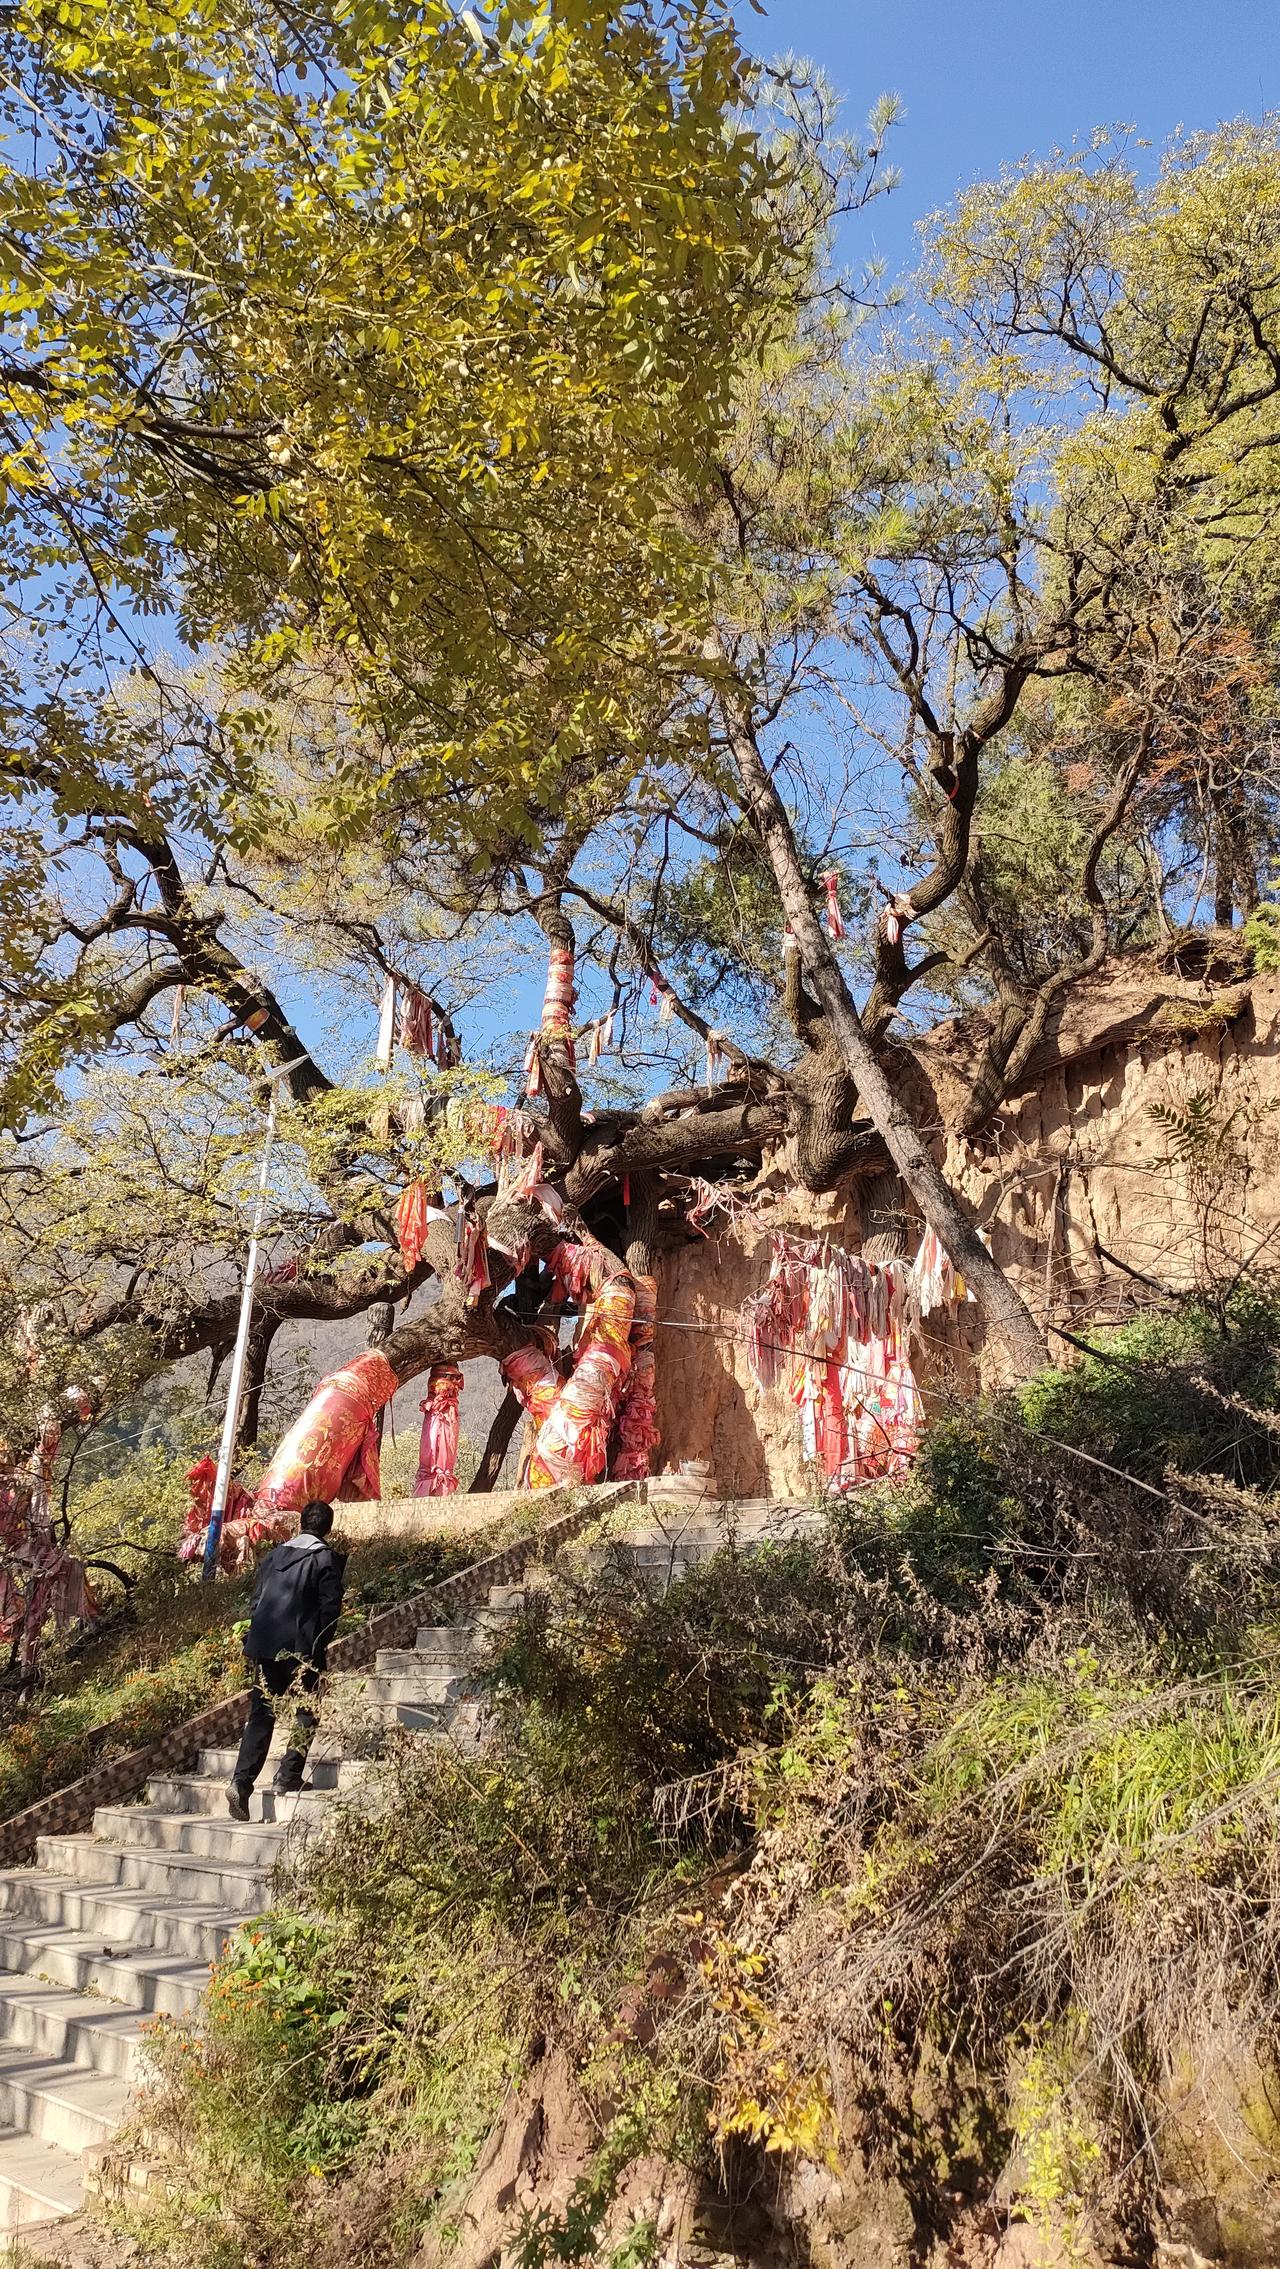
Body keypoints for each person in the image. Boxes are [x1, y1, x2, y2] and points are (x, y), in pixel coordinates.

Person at [228, 1499, 346, 1820]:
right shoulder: (325, 1559)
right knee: (307, 1709)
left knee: (262, 1714)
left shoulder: (273, 1556)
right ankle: (288, 1774)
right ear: (328, 1528)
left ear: (301, 1524)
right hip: (302, 1648)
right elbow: (329, 1610)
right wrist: (319, 1646)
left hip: (265, 1646)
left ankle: (241, 1782)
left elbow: (256, 1603)